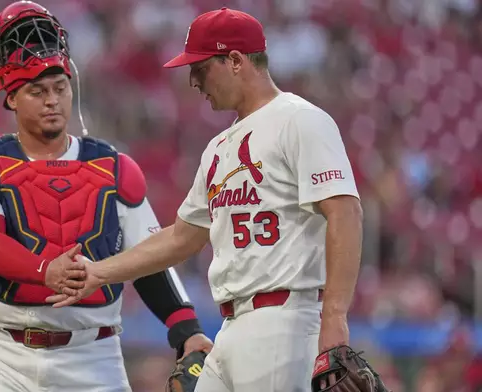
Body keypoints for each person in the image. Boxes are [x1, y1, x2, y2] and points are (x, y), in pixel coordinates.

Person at [48, 7, 364, 392]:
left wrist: (334, 316)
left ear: (234, 60)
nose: (193, 81)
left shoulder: (300, 119)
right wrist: (99, 272)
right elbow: (182, 237)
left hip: (286, 320)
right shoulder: (218, 148)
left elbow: (345, 212)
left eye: (200, 68)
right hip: (231, 327)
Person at [0, 2, 212, 391]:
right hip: (2, 358)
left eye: (60, 88)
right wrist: (43, 271)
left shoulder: (114, 167)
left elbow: (149, 255)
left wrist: (185, 327)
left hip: (94, 358)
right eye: (37, 91)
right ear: (13, 98)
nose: (52, 100)